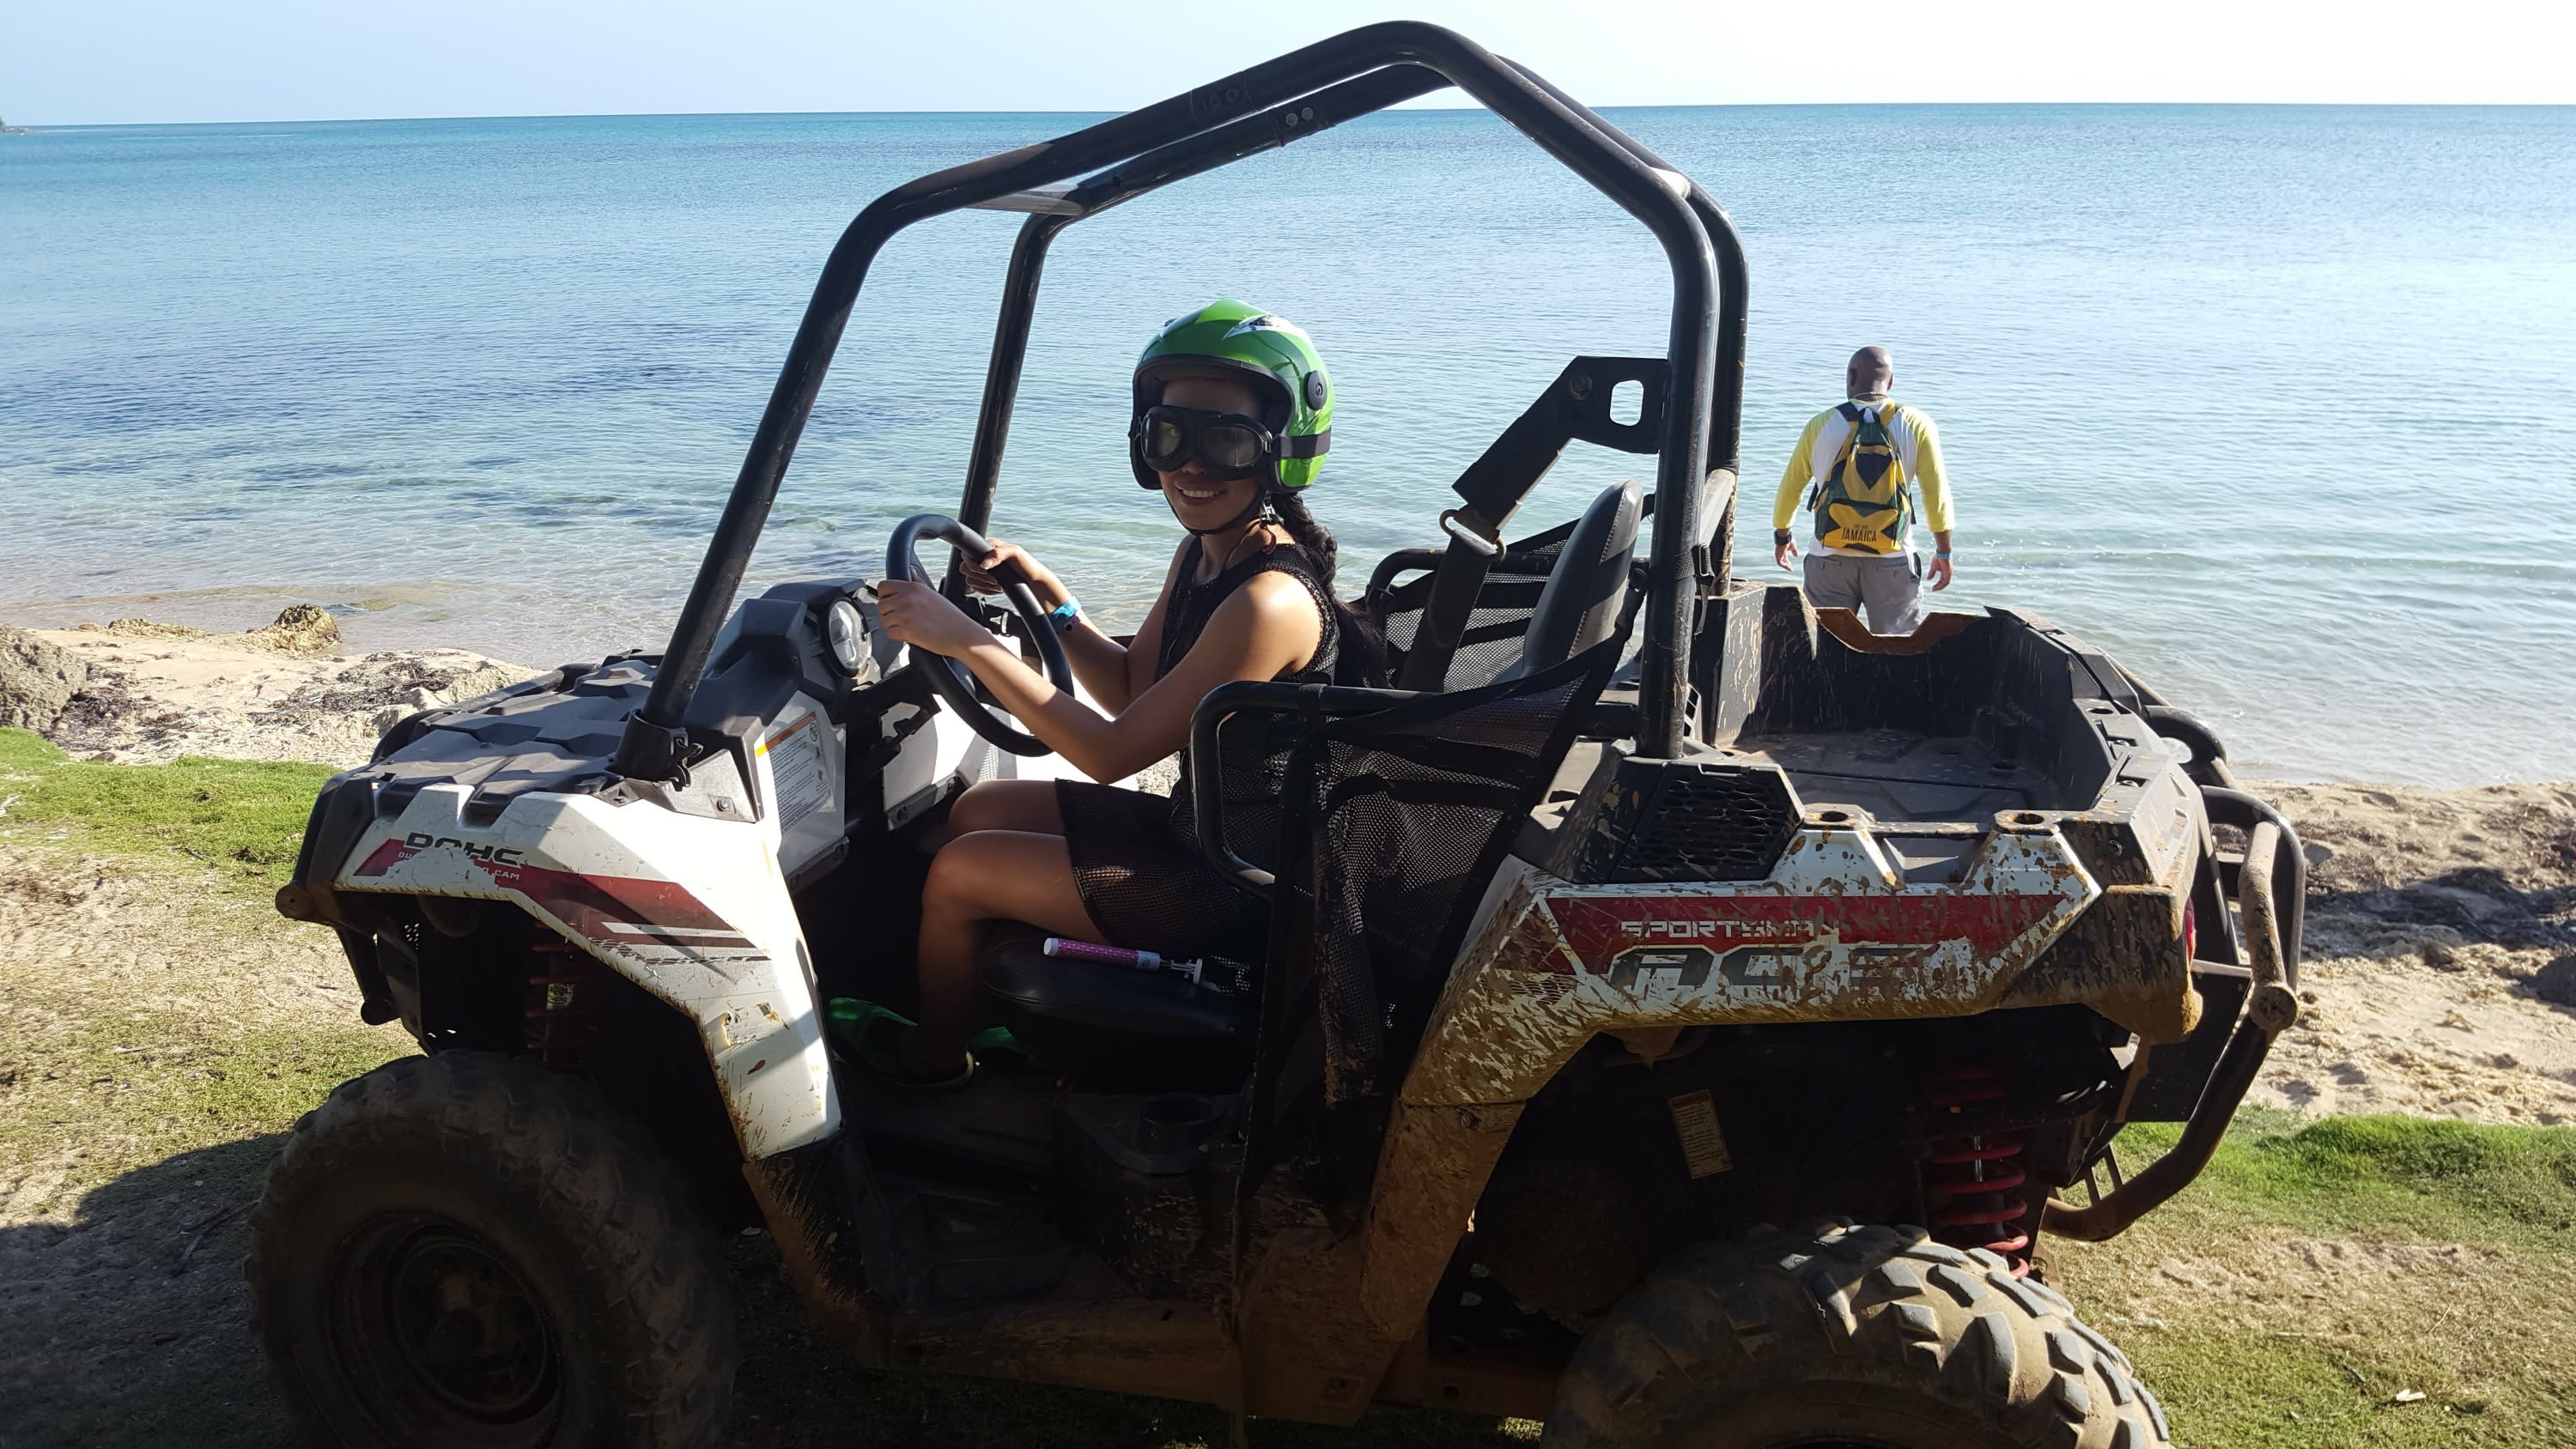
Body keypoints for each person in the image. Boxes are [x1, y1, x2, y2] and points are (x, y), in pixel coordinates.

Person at [866, 300, 1375, 1087]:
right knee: (977, 813)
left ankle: (935, 1063)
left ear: (1280, 452)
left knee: (959, 872)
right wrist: (1047, 597)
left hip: (1240, 886)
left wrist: (967, 640)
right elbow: (1132, 687)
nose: (1192, 467)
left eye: (1226, 441)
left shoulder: (1268, 602)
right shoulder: (1207, 552)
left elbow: (1109, 754)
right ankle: (997, 1005)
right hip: (1200, 830)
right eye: (1171, 436)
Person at [1771, 346, 1955, 634]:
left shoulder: (1819, 424)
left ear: (1851, 376)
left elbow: (1790, 488)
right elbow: (1937, 496)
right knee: (1897, 651)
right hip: (1893, 560)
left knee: (1823, 649)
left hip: (1828, 559)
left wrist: (1783, 536)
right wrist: (1943, 553)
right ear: (1890, 382)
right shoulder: (1918, 424)